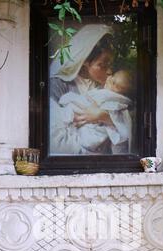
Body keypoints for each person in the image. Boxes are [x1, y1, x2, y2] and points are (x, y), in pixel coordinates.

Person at [50, 24, 121, 154]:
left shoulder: (111, 87)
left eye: (110, 64)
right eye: (102, 65)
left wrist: (104, 117)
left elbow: (125, 124)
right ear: (85, 62)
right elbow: (54, 137)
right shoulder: (58, 85)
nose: (109, 71)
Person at [54, 70, 133, 154]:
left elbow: (122, 126)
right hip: (80, 122)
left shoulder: (115, 99)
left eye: (116, 86)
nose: (109, 79)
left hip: (95, 131)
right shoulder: (60, 82)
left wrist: (104, 116)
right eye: (112, 78)